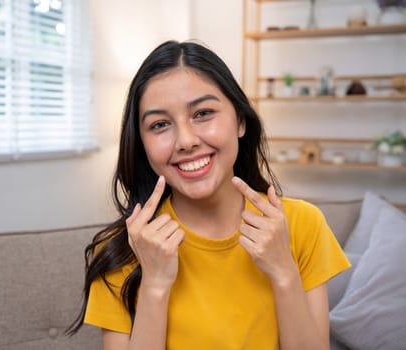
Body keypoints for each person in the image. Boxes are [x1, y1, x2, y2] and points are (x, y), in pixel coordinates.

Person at [67, 40, 350, 349]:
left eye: (203, 113)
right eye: (160, 124)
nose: (186, 141)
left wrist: (284, 271)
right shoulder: (124, 248)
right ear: (143, 145)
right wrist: (155, 284)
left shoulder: (300, 224)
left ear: (240, 121)